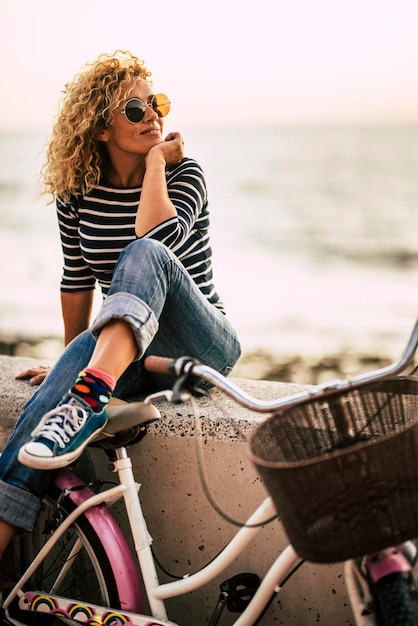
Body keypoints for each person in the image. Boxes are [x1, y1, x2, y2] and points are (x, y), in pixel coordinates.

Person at [0, 51, 241, 554]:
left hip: (199, 344)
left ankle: (90, 394)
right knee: (47, 409)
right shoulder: (78, 193)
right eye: (135, 110)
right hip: (127, 350)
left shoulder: (185, 174)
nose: (152, 115)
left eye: (155, 103)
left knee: (144, 251)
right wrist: (72, 357)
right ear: (101, 129)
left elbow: (153, 239)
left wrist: (156, 161)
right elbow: (75, 278)